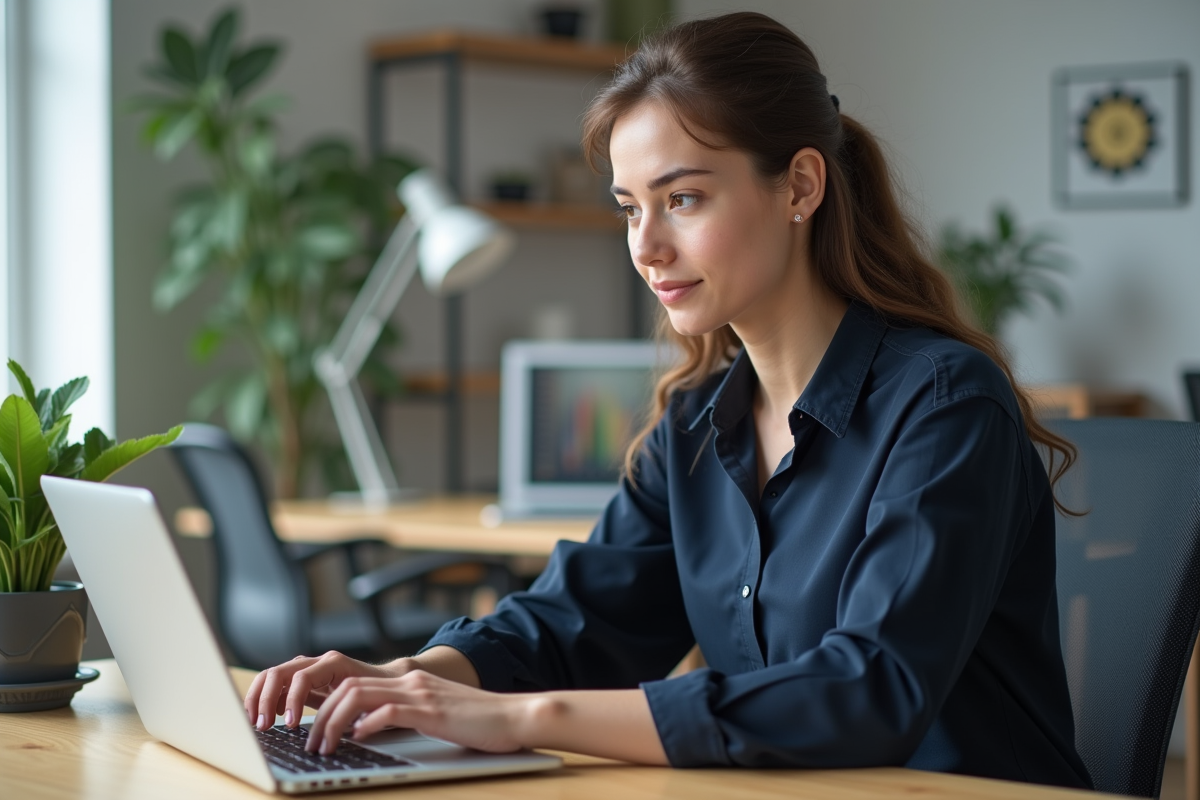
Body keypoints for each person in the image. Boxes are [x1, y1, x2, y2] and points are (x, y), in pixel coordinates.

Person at [244, 11, 1091, 789]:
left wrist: (517, 719)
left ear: (800, 186)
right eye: (628, 208)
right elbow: (585, 617)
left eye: (682, 199)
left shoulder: (942, 406)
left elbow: (869, 689)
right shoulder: (695, 422)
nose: (646, 247)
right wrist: (410, 677)